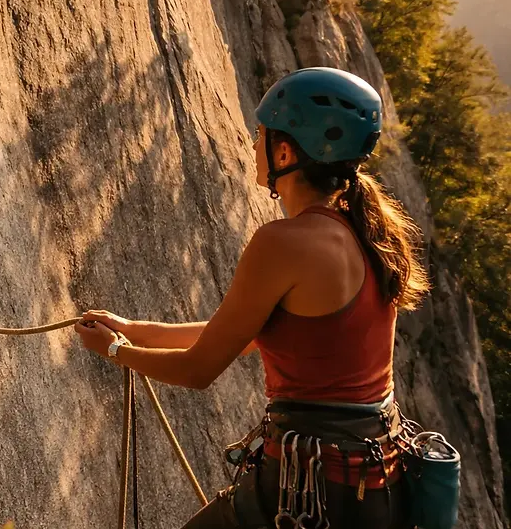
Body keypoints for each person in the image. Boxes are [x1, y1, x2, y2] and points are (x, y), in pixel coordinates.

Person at [75, 67, 431, 528]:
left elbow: (199, 369)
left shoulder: (286, 242)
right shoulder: (365, 234)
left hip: (314, 493)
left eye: (261, 133)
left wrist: (114, 351)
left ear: (285, 151)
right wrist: (132, 329)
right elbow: (241, 336)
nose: (253, 142)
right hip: (375, 488)